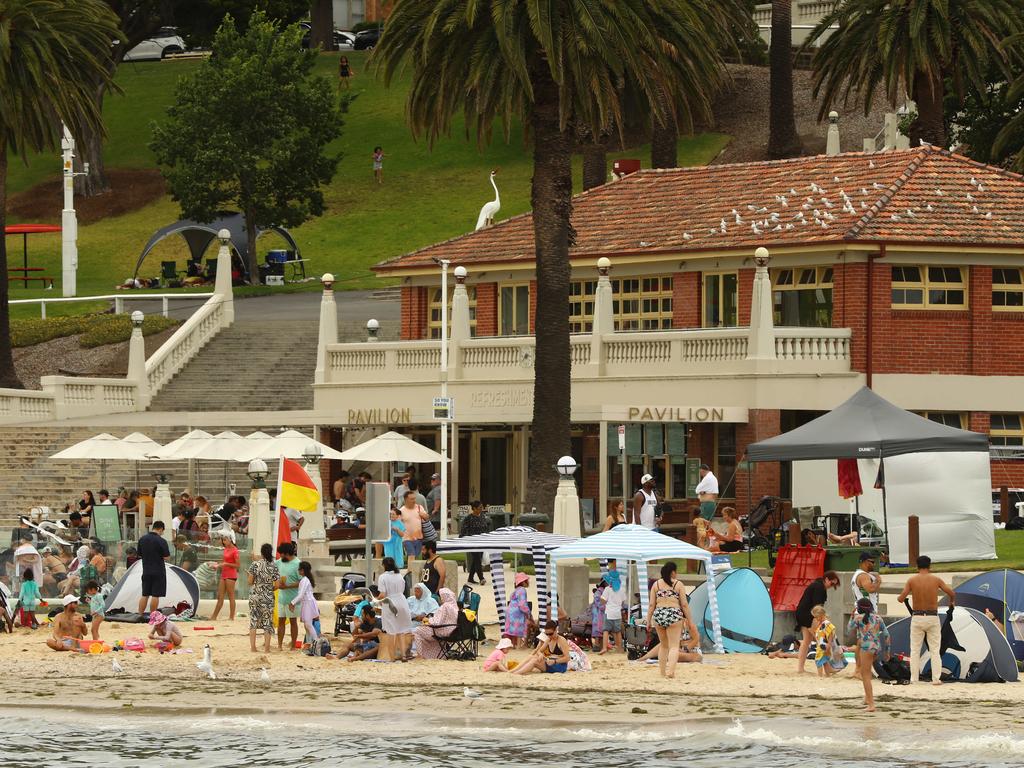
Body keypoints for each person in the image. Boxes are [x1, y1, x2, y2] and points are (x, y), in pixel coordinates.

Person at [897, 554, 956, 685]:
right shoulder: (936, 579)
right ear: (929, 566)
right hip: (932, 617)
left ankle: (914, 679)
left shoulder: (912, 580)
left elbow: (901, 598)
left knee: (915, 649)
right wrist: (952, 602)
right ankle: (936, 679)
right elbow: (952, 593)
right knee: (935, 649)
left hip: (917, 617)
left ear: (917, 566)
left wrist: (900, 598)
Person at [645, 561, 691, 679]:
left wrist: (648, 620)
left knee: (663, 645)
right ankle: (670, 672)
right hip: (673, 614)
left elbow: (651, 605)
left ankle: (662, 672)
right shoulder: (678, 584)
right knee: (674, 646)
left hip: (659, 614)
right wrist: (689, 620)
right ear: (673, 572)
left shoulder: (656, 585)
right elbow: (684, 604)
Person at [794, 570, 841, 674]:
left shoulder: (817, 585)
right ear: (826, 579)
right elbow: (817, 607)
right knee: (821, 640)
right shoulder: (819, 588)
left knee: (806, 641)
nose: (831, 586)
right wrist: (823, 620)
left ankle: (800, 669)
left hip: (802, 613)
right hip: (808, 615)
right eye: (831, 583)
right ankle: (827, 667)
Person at [848, 597, 890, 712]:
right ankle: (867, 698)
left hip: (866, 648)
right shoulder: (878, 618)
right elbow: (887, 635)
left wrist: (852, 616)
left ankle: (871, 705)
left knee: (865, 675)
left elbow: (848, 630)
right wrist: (887, 652)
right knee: (868, 671)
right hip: (876, 648)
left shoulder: (858, 618)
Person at [377, 556, 413, 660]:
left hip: (390, 603)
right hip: (402, 602)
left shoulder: (383, 577)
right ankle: (403, 655)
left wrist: (375, 600)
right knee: (401, 630)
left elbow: (383, 594)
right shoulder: (399, 575)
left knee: (390, 632)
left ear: (384, 565)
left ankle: (392, 656)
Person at [637, 609, 703, 665]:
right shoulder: (674, 625)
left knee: (674, 655)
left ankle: (645, 659)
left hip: (693, 651)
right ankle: (643, 658)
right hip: (681, 649)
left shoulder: (688, 623)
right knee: (664, 644)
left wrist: (685, 649)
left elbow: (696, 639)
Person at [512, 620, 579, 675]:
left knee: (534, 660)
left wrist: (554, 661)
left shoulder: (561, 640)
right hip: (550, 662)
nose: (549, 636)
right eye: (547, 634)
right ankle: (512, 671)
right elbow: (539, 651)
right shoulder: (548, 639)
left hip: (560, 666)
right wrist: (540, 654)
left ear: (556, 630)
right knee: (532, 657)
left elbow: (567, 658)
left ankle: (516, 673)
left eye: (551, 634)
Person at [248, 543, 280, 653]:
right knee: (267, 622)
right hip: (268, 598)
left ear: (261, 553)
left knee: (253, 621)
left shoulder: (255, 565)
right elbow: (277, 585)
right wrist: (269, 589)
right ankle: (267, 648)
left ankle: (253, 647)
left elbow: (250, 582)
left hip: (255, 596)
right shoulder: (274, 566)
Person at [413, 588, 458, 660]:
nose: (440, 599)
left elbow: (436, 622)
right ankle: (436, 654)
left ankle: (420, 655)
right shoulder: (454, 606)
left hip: (442, 632)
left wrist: (427, 620)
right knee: (423, 630)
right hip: (453, 631)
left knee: (417, 631)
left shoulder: (445, 606)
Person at [137, 521, 170, 614]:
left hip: (146, 570)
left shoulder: (142, 539)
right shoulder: (162, 541)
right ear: (160, 529)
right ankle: (153, 616)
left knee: (145, 594)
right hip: (158, 571)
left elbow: (139, 554)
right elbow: (166, 556)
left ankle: (140, 614)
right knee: (155, 595)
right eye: (162, 531)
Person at [290, 561, 321, 650]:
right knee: (307, 625)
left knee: (308, 624)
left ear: (302, 570)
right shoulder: (306, 579)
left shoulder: (305, 580)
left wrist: (292, 603)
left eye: (299, 569)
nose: (298, 570)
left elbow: (301, 594)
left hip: (308, 603)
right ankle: (309, 644)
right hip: (307, 603)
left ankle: (316, 643)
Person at [276, 542, 301, 651]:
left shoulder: (298, 564)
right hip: (282, 598)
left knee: (293, 622)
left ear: (287, 553)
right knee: (280, 621)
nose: (281, 556)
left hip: (293, 599)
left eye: (282, 554)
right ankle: (280, 645)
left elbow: (302, 582)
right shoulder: (279, 562)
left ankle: (293, 646)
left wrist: (288, 586)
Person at [210, 533, 240, 622]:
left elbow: (238, 565)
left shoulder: (235, 550)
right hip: (224, 574)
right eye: (223, 540)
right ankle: (214, 616)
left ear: (230, 539)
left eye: (225, 539)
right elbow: (224, 561)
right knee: (220, 596)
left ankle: (231, 617)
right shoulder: (226, 549)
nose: (223, 541)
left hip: (231, 575)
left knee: (231, 596)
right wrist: (216, 565)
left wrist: (225, 564)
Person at [811, 605, 846, 677]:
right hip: (821, 645)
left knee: (818, 660)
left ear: (821, 615)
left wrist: (829, 644)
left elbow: (830, 633)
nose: (815, 619)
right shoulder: (821, 623)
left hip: (824, 645)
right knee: (824, 661)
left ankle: (820, 675)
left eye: (816, 617)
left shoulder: (826, 623)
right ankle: (827, 674)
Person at [460, 500, 489, 584]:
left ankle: (470, 578)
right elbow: (463, 530)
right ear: (474, 509)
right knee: (477, 559)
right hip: (472, 542)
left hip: (481, 541)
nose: (481, 509)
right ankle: (481, 578)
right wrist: (461, 540)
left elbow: (485, 528)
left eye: (482, 508)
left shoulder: (482, 516)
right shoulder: (468, 518)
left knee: (476, 559)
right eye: (480, 508)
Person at [599, 567, 625, 654]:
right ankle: (620, 648)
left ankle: (604, 647)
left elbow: (603, 600)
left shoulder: (607, 589)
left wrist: (602, 600)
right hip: (617, 613)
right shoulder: (621, 590)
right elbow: (623, 601)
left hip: (609, 612)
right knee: (617, 631)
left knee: (606, 630)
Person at [506, 572, 531, 647]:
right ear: (523, 582)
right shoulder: (522, 590)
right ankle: (519, 646)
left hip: (510, 612)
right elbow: (522, 604)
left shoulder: (516, 590)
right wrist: (528, 613)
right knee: (519, 630)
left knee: (513, 631)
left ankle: (514, 645)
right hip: (517, 613)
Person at [399, 490, 426, 560]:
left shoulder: (419, 507)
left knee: (415, 556)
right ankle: (410, 570)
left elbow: (427, 517)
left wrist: (423, 515)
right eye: (411, 499)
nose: (414, 500)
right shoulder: (401, 511)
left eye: (414, 498)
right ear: (406, 500)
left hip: (419, 537)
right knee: (411, 554)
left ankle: (411, 569)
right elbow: (397, 524)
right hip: (407, 538)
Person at [589, 580, 606, 651]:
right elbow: (599, 603)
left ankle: (601, 646)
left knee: (601, 630)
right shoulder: (599, 593)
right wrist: (605, 607)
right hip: (598, 614)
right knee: (598, 630)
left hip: (600, 613)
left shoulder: (602, 592)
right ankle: (597, 645)